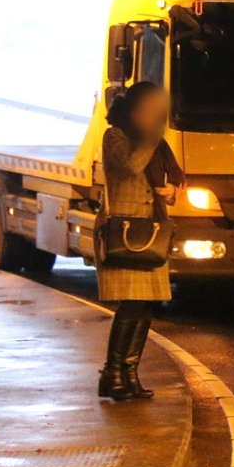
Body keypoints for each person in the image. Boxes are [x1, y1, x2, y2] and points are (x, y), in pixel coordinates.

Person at [97, 82, 183, 402]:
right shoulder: (116, 136)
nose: (154, 117)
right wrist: (152, 135)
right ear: (133, 110)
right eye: (149, 111)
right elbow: (130, 167)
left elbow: (168, 182)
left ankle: (131, 374)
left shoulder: (155, 142)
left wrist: (170, 192)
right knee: (130, 305)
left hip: (152, 232)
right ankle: (112, 374)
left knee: (146, 306)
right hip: (127, 232)